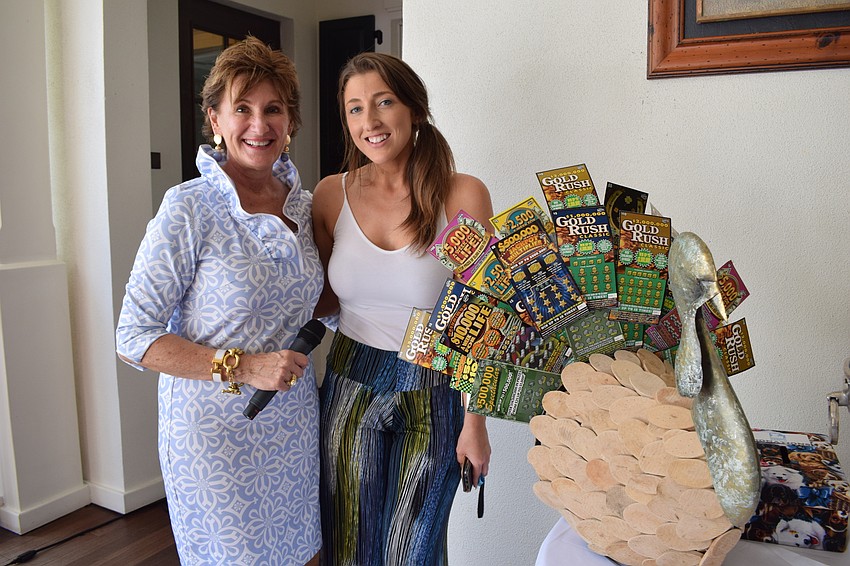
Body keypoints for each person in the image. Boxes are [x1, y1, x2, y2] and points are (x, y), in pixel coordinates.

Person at [116, 37, 323, 566]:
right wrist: (246, 366)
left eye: (273, 108)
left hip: (294, 421)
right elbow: (134, 337)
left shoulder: (306, 204)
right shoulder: (188, 208)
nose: (260, 124)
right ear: (215, 120)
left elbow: (316, 301)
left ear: (291, 120)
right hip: (216, 437)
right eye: (242, 108)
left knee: (302, 555)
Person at [312, 52, 493, 565]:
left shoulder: (462, 195)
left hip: (434, 388)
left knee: (414, 552)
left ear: (414, 108)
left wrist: (475, 423)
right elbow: (321, 297)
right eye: (354, 109)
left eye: (383, 102)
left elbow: (480, 319)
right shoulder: (331, 196)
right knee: (348, 545)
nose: (368, 121)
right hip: (349, 379)